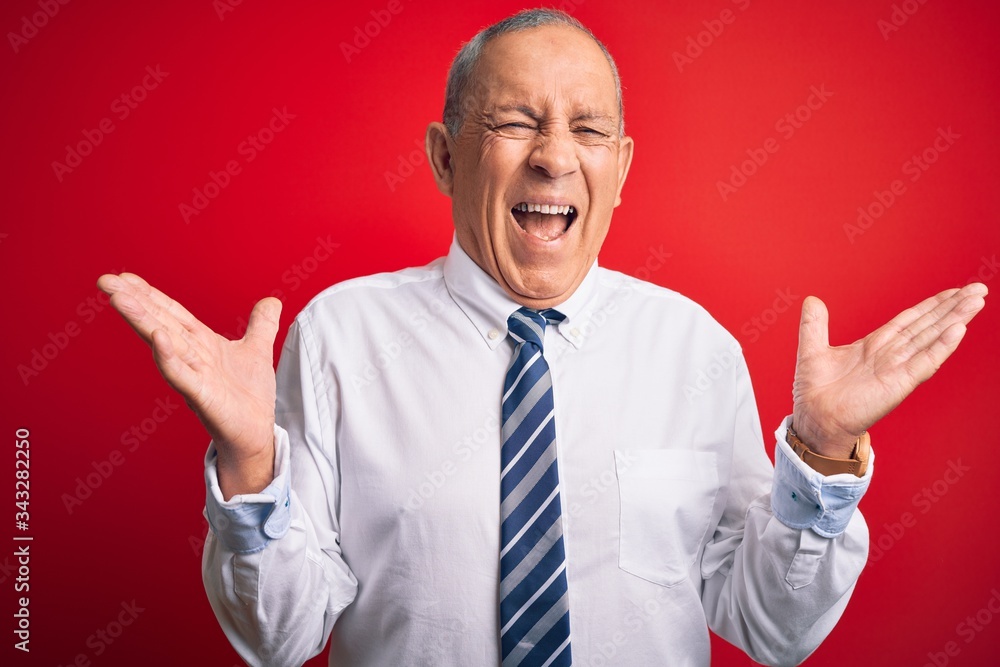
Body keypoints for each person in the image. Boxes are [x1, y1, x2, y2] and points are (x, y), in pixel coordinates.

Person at [97, 8, 987, 667]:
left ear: (621, 168)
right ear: (445, 157)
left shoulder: (694, 348)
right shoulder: (340, 335)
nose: (555, 156)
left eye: (588, 129)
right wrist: (252, 467)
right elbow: (282, 636)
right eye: (516, 121)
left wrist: (825, 455)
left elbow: (774, 627)